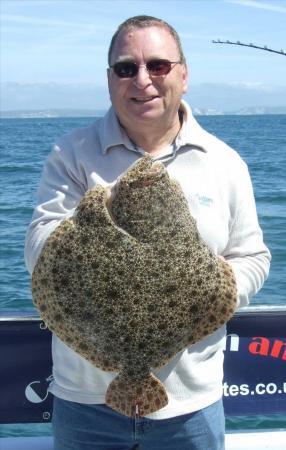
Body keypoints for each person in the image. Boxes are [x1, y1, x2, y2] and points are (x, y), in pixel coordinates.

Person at [25, 15, 271, 450]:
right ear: (109, 79)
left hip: (191, 407)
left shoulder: (226, 162)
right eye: (126, 68)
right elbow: (38, 247)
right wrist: (94, 221)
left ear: (183, 74)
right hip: (86, 405)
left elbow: (253, 256)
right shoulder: (71, 155)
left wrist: (216, 288)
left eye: (158, 65)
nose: (143, 80)